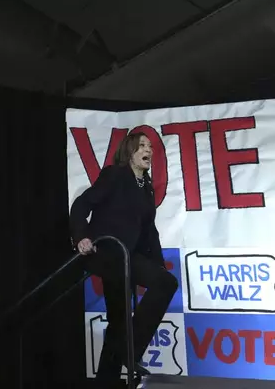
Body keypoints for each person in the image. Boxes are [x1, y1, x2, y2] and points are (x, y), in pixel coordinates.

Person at [69, 132, 178, 386]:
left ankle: (105, 381)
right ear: (130, 151)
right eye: (142, 146)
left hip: (129, 257)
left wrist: (158, 265)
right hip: (108, 252)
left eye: (150, 147)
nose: (148, 150)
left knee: (122, 318)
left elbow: (150, 232)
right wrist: (81, 236)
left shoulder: (147, 187)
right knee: (123, 316)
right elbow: (81, 204)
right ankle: (130, 350)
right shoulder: (115, 175)